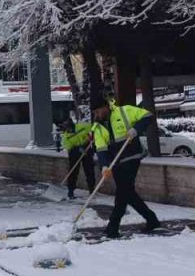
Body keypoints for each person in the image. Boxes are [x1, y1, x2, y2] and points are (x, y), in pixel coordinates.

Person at [92, 100, 160, 239]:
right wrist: (104, 165)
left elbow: (148, 116)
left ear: (105, 107)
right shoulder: (97, 127)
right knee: (128, 192)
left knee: (123, 192)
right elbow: (101, 149)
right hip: (115, 162)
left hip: (131, 157)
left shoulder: (124, 111)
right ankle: (151, 219)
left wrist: (136, 129)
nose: (97, 115)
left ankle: (113, 227)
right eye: (95, 113)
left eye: (98, 111)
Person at [59, 114, 96, 199]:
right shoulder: (66, 137)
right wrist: (78, 149)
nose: (68, 130)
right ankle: (71, 191)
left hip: (86, 149)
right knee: (73, 171)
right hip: (74, 152)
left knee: (89, 170)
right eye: (67, 129)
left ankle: (92, 190)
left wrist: (92, 136)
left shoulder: (82, 126)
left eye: (69, 128)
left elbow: (94, 128)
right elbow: (67, 147)